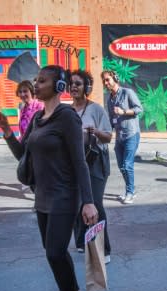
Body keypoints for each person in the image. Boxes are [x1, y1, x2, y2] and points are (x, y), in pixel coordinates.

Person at [0, 65, 98, 291]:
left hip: (65, 196)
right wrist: (5, 130)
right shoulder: (38, 118)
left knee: (54, 253)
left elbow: (79, 162)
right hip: (43, 196)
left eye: (42, 81)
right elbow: (22, 156)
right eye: (36, 80)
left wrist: (88, 201)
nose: (36, 85)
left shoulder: (68, 118)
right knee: (56, 252)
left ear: (59, 86)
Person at [70, 69, 113, 262]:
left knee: (94, 203)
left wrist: (94, 131)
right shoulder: (67, 111)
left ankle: (104, 250)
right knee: (77, 202)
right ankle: (81, 242)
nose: (74, 87)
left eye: (78, 83)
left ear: (86, 87)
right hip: (75, 163)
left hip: (96, 162)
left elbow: (109, 137)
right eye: (71, 83)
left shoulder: (96, 110)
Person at [101, 70, 143, 204]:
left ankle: (130, 192)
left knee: (127, 165)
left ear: (115, 78)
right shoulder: (110, 99)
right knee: (121, 165)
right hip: (119, 137)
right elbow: (111, 119)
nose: (106, 83)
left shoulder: (127, 93)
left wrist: (123, 111)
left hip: (131, 134)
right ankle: (131, 190)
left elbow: (139, 109)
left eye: (107, 79)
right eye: (104, 81)